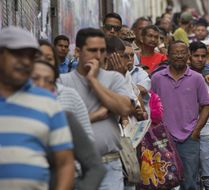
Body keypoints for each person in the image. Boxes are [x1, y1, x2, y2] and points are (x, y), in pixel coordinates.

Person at [58, 27, 134, 190]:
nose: (98, 56)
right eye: (92, 50)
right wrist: (96, 114)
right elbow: (61, 122)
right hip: (75, 166)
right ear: (78, 51)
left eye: (102, 50)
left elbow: (125, 108)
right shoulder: (63, 82)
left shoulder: (114, 78)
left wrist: (93, 81)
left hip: (109, 164)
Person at [0, 26, 75, 189]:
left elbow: (65, 163)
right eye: (18, 54)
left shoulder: (47, 102)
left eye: (30, 57)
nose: (25, 62)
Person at [31, 59, 106, 190]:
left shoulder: (64, 119)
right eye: (35, 78)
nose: (40, 84)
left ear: (54, 87)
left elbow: (96, 168)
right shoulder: (8, 116)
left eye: (48, 80)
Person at [151, 41, 209, 190]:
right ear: (168, 55)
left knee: (190, 181)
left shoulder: (197, 78)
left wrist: (196, 131)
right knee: (163, 181)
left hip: (189, 139)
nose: (179, 55)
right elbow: (151, 106)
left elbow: (206, 105)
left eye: (182, 52)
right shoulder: (157, 78)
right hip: (163, 138)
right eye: (175, 52)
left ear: (188, 55)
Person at [189, 41, 209, 190]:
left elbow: (204, 104)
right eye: (196, 56)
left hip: (206, 132)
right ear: (189, 56)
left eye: (203, 56)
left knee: (208, 177)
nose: (200, 59)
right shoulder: (184, 76)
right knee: (190, 178)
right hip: (186, 133)